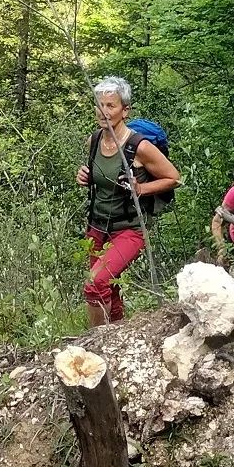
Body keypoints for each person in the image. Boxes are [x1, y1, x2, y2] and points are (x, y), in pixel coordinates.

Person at [76, 77, 181, 327]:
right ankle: (116, 338)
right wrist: (87, 176)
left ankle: (96, 342)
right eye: (100, 105)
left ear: (125, 110)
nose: (104, 111)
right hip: (97, 227)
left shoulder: (139, 146)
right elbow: (102, 175)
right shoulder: (94, 140)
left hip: (129, 229)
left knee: (96, 283)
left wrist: (141, 188)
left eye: (111, 106)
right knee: (109, 287)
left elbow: (173, 178)